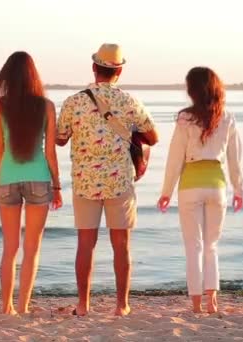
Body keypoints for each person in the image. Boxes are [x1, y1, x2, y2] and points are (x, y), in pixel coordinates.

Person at [57, 43, 159, 316]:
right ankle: (121, 305)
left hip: (84, 180)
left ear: (94, 68)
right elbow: (153, 137)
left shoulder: (73, 102)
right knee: (121, 245)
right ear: (120, 71)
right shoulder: (130, 102)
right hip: (120, 183)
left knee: (85, 245)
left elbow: (59, 138)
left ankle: (83, 304)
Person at [157, 66, 243, 314]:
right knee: (211, 246)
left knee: (192, 246)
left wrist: (166, 191)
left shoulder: (185, 118)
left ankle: (196, 303)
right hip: (217, 185)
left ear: (192, 90)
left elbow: (175, 158)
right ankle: (212, 301)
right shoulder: (226, 117)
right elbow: (235, 158)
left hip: (190, 187)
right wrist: (239, 189)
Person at [0, 51, 63, 315]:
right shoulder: (46, 106)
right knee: (32, 248)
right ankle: (23, 306)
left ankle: (6, 306)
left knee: (9, 248)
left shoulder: (0, 106)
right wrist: (57, 186)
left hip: (8, 179)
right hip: (39, 179)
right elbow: (50, 153)